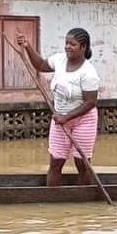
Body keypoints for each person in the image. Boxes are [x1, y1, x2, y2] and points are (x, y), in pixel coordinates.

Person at [16, 28, 99, 187]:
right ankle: (52, 199)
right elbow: (40, 65)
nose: (67, 46)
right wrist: (27, 46)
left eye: (72, 44)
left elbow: (90, 102)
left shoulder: (89, 73)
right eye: (66, 43)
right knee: (56, 161)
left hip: (83, 120)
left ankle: (87, 198)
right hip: (60, 117)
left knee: (82, 163)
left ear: (83, 47)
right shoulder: (60, 60)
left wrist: (67, 117)